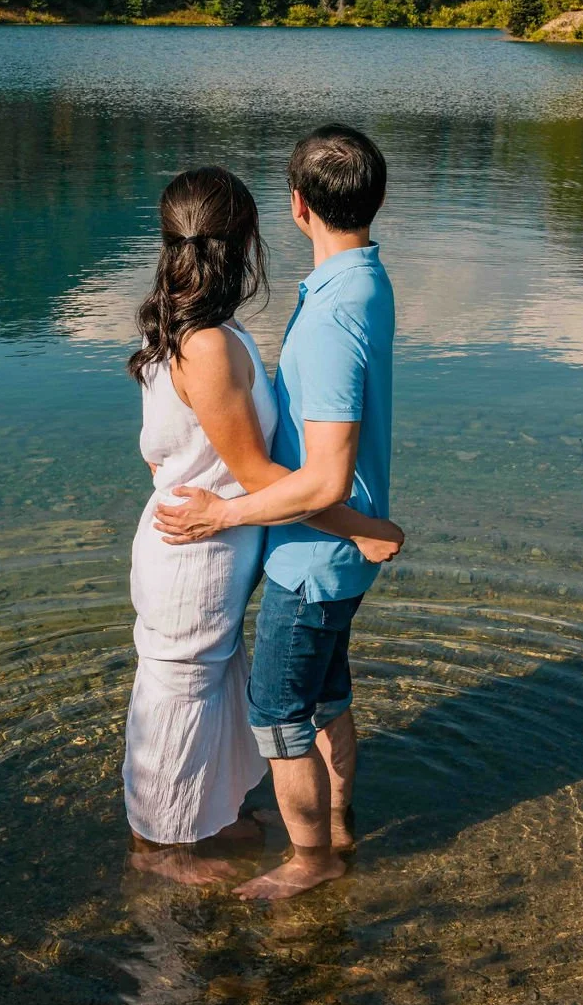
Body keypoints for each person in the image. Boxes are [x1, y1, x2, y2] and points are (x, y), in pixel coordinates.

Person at [126, 164, 402, 884]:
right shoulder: (209, 343)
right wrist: (357, 527)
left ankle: (199, 822)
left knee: (209, 693)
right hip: (196, 557)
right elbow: (252, 476)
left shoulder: (201, 325)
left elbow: (169, 449)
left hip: (215, 546)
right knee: (177, 698)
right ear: (247, 240)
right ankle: (160, 851)